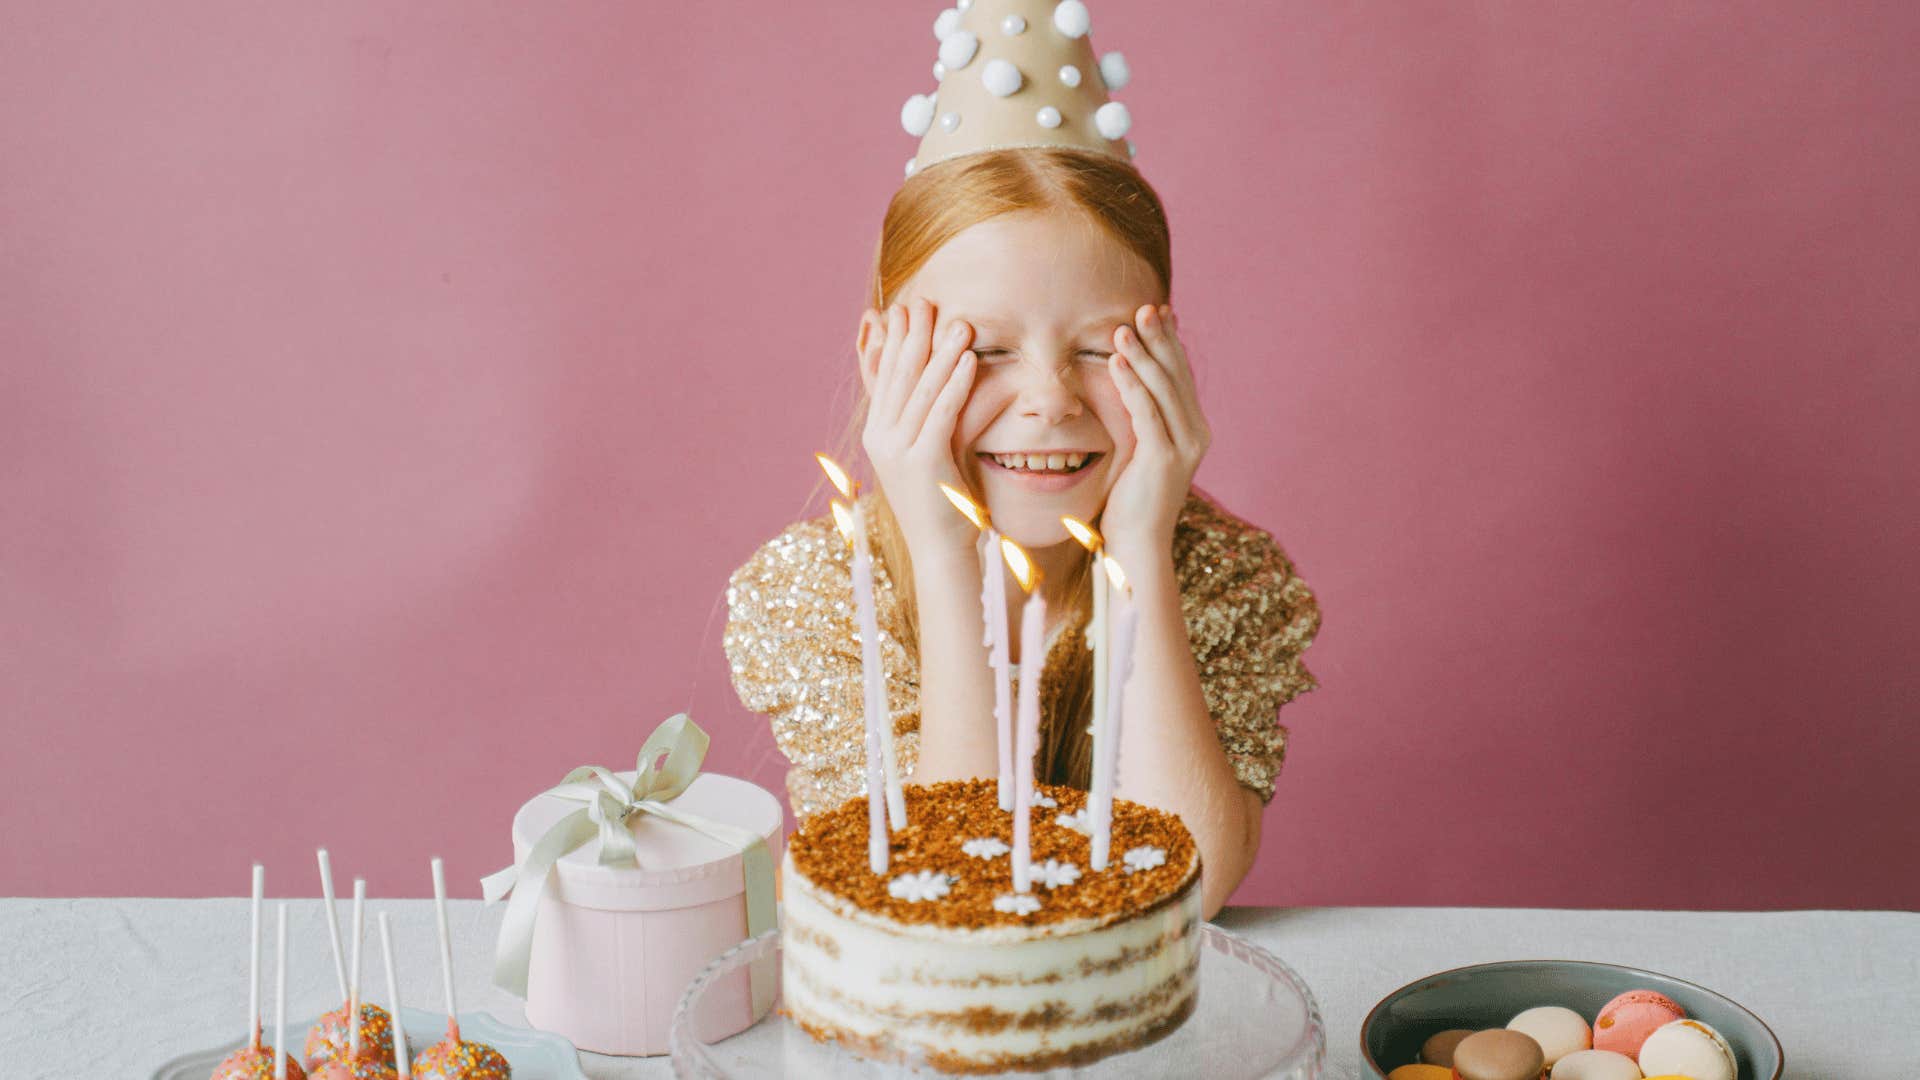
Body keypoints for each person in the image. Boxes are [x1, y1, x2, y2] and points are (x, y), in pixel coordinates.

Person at [724, 4, 1319, 918]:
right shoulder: (820, 594)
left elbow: (1187, 889)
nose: (1051, 399)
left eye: (1098, 347)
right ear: (884, 361)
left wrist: (1138, 558)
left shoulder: (1226, 578)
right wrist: (943, 552)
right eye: (987, 349)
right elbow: (945, 894)